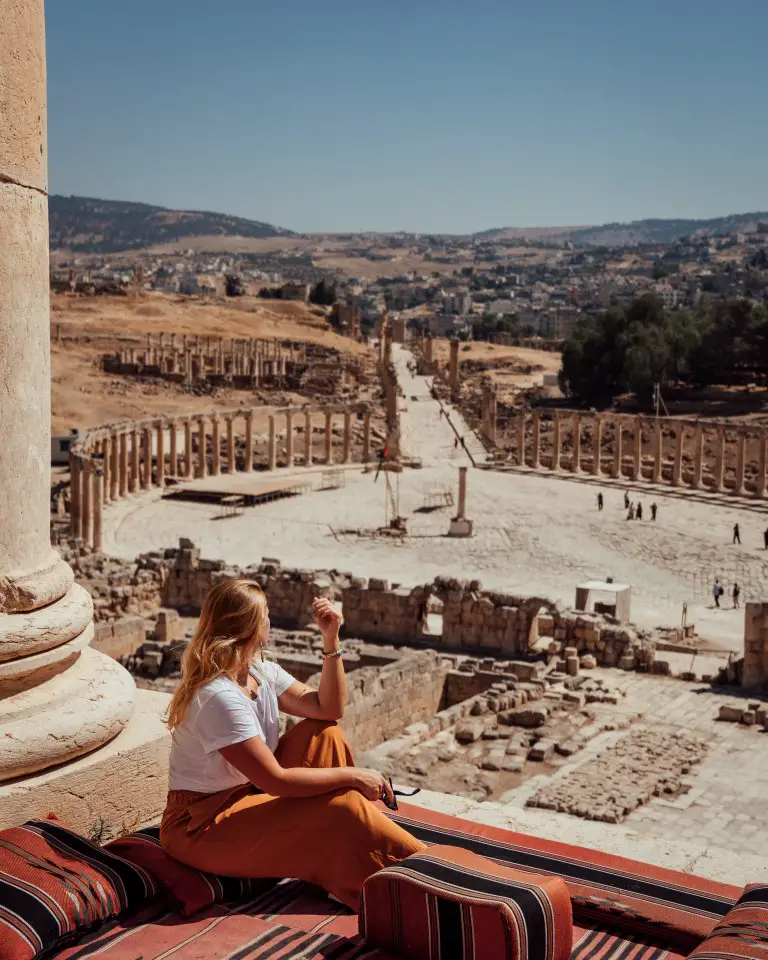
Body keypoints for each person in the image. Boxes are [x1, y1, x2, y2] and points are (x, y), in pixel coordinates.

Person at [160, 580, 424, 910]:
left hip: (246, 792)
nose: (271, 620)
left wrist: (331, 639)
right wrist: (353, 776)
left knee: (325, 733)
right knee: (339, 809)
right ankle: (422, 874)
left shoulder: (259, 671)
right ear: (251, 626)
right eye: (266, 614)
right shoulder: (218, 697)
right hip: (201, 823)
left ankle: (358, 850)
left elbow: (328, 709)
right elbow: (275, 781)